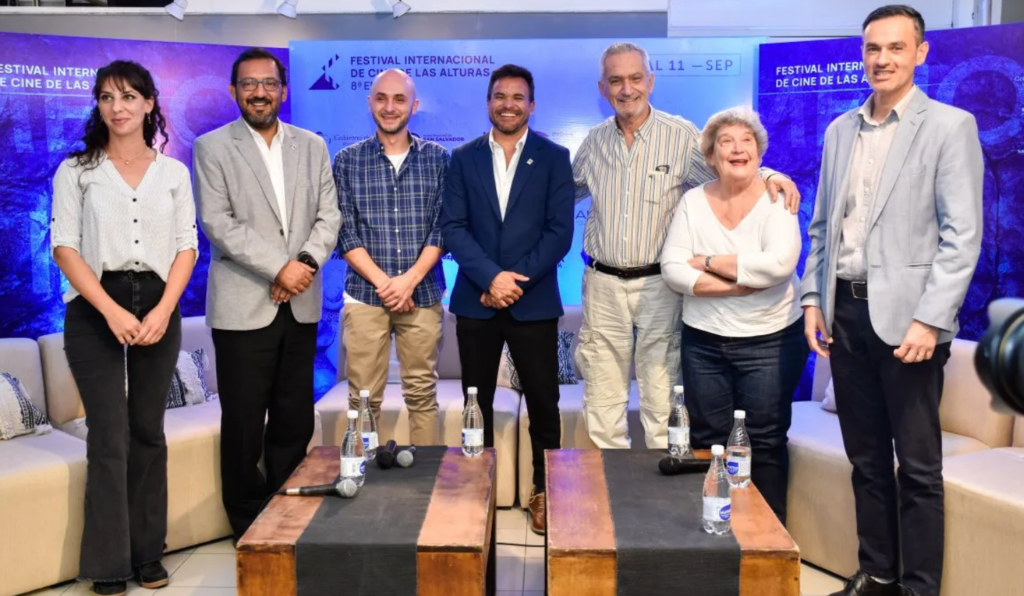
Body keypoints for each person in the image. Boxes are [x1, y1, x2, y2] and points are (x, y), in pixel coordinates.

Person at [800, 6, 983, 596]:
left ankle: (919, 588)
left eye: (896, 48)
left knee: (920, 471)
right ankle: (877, 574)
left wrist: (932, 318)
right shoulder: (838, 131)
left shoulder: (951, 127)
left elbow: (963, 237)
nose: (882, 59)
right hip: (845, 315)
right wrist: (812, 300)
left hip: (911, 323)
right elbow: (823, 226)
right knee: (868, 462)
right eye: (873, 48)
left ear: (921, 53)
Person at [572, 41, 801, 450]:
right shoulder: (592, 143)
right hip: (602, 284)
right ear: (602, 87)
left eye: (636, 78)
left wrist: (768, 173)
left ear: (651, 81)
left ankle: (661, 504)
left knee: (664, 400)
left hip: (661, 285)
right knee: (603, 403)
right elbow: (560, 195)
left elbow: (728, 164)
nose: (627, 89)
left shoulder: (680, 136)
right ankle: (611, 505)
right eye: (616, 80)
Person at [51, 60, 198, 596]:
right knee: (108, 437)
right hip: (95, 307)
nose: (119, 107)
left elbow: (188, 245)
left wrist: (163, 310)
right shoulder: (77, 170)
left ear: (150, 103)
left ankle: (147, 555)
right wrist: (110, 311)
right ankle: (109, 564)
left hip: (160, 301)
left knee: (147, 433)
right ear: (98, 104)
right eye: (108, 97)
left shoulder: (174, 173)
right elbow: (64, 246)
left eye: (130, 96)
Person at [193, 48, 341, 542]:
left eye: (269, 83)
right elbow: (218, 223)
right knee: (242, 423)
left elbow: (329, 217)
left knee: (293, 417)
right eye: (249, 84)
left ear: (284, 89)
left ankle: (288, 514)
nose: (260, 92)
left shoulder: (313, 145)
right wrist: (279, 266)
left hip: (300, 304)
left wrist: (300, 267)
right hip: (242, 306)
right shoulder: (212, 147)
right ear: (234, 91)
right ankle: (247, 523)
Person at [440, 64, 573, 535]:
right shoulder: (462, 158)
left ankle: (543, 492)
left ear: (532, 105)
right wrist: (490, 277)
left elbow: (560, 233)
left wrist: (514, 282)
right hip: (476, 302)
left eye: (518, 97)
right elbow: (453, 228)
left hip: (533, 303)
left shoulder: (555, 157)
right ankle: (475, 486)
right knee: (475, 400)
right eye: (500, 96)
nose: (508, 104)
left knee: (544, 403)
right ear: (488, 102)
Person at [661, 107, 808, 524]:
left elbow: (779, 266)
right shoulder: (693, 201)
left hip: (770, 341)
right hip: (703, 342)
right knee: (708, 440)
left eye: (747, 141)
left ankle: (766, 539)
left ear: (760, 152)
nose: (737, 148)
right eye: (726, 141)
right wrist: (741, 282)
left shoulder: (778, 196)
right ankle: (715, 534)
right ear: (710, 155)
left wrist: (705, 260)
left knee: (763, 442)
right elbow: (672, 269)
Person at [334, 69, 449, 446]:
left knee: (421, 394)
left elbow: (442, 227)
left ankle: (426, 483)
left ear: (414, 106)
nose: (389, 107)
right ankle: (361, 478)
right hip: (365, 297)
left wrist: (409, 280)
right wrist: (387, 284)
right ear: (370, 103)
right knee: (363, 398)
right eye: (381, 98)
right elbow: (344, 231)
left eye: (399, 99)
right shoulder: (347, 161)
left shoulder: (438, 159)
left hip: (423, 293)